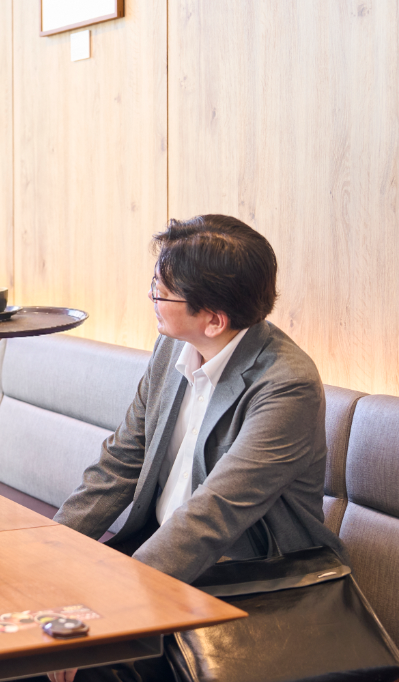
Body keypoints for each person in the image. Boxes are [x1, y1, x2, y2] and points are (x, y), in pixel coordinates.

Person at [45, 215, 345, 682]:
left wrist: (110, 611)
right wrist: (46, 554)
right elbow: (121, 461)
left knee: (74, 664)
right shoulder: (172, 347)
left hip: (249, 581)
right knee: (8, 639)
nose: (152, 299)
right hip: (164, 558)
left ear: (215, 319)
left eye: (162, 292)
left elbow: (213, 514)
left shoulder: (287, 386)